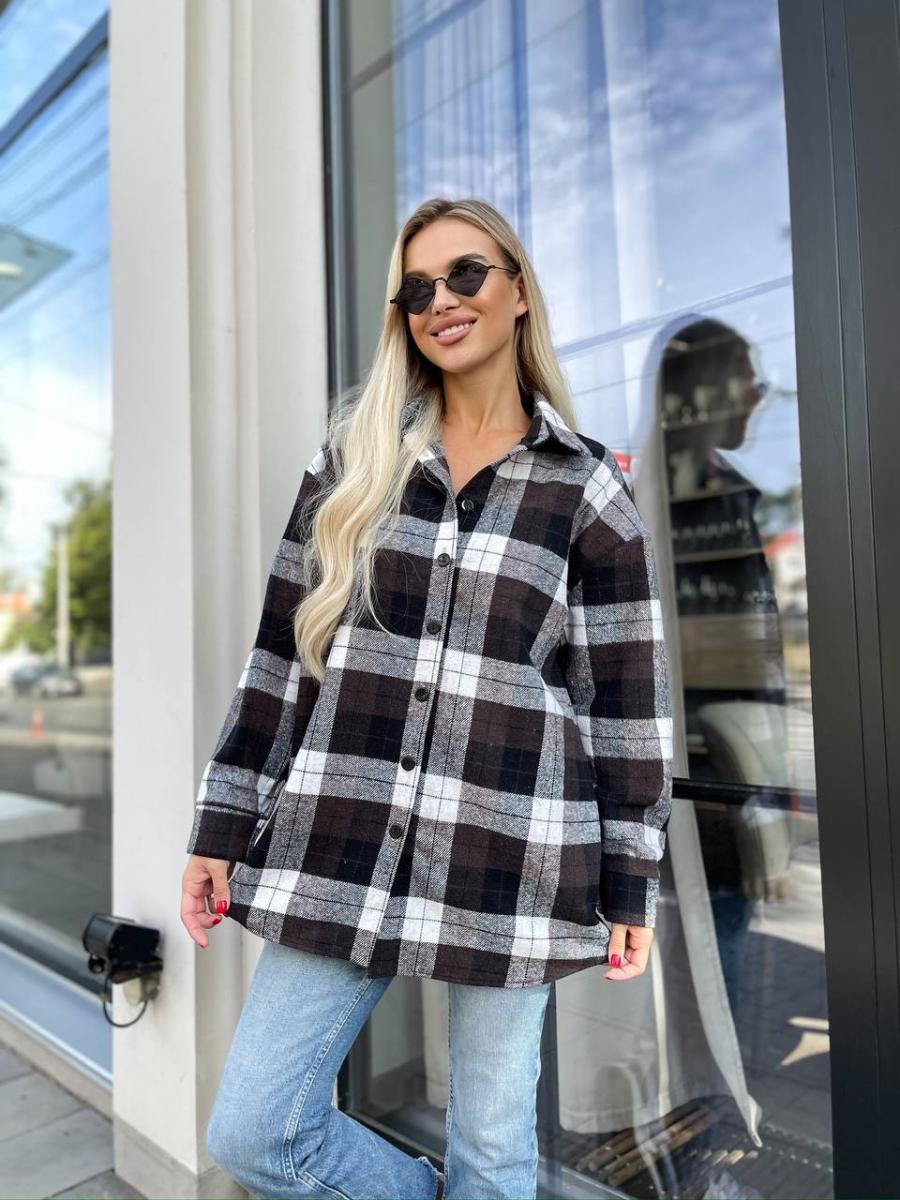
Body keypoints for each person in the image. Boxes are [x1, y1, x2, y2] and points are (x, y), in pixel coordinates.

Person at [180, 197, 673, 1200]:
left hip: (517, 851)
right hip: (342, 834)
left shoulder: (587, 491)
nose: (440, 300)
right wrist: (221, 825)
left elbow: (626, 707)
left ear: (518, 290)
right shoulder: (351, 465)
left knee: (494, 1156)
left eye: (465, 274)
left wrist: (632, 882)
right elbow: (279, 660)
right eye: (416, 289)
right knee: (257, 1133)